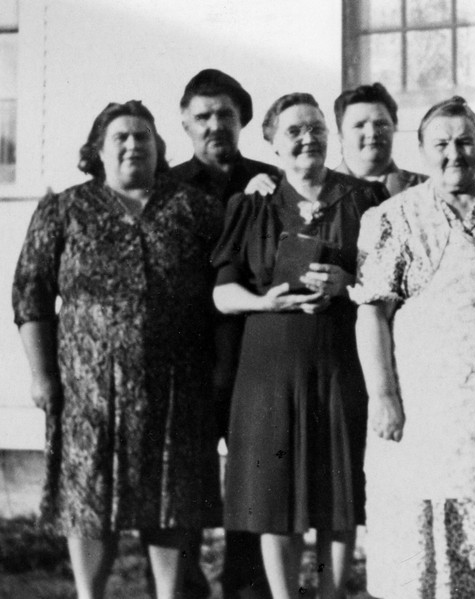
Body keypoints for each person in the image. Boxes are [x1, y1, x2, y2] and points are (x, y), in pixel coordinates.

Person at [12, 100, 222, 599]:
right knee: (89, 496)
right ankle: (90, 593)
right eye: (120, 137)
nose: (132, 144)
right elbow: (30, 294)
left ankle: (169, 595)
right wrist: (42, 376)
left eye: (142, 136)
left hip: (174, 385)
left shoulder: (193, 208)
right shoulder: (63, 209)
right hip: (87, 389)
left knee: (170, 498)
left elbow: (226, 283)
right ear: (98, 151)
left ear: (159, 147)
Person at [352, 96, 475, 599]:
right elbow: (371, 312)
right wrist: (383, 396)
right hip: (423, 420)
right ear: (421, 151)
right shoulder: (393, 218)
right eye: (440, 143)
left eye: (465, 141)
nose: (454, 153)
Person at [211, 92, 387, 599]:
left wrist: (346, 282)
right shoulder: (252, 203)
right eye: (293, 130)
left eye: (315, 128)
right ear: (271, 141)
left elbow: (389, 280)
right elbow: (224, 294)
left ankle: (332, 595)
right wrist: (267, 302)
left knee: (338, 495)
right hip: (268, 369)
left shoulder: (363, 199)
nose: (307, 137)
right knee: (274, 496)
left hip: (339, 364)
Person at [172, 67, 281, 599]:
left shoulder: (273, 183)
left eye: (225, 115)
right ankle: (185, 588)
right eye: (203, 116)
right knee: (188, 487)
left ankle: (248, 589)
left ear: (243, 120)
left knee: (251, 483)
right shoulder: (166, 189)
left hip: (252, 360)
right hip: (187, 362)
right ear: (185, 123)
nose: (215, 124)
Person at [333, 82, 426, 195]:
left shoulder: (425, 188)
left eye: (381, 124)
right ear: (340, 135)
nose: (372, 133)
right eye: (359, 125)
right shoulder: (322, 190)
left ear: (395, 127)